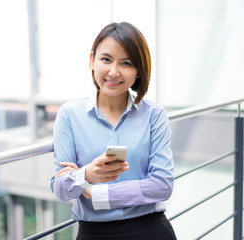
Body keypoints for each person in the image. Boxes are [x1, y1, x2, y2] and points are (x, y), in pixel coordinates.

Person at [50, 22, 177, 240]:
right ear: (92, 61)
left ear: (138, 71)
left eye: (126, 63)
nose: (114, 72)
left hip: (151, 230)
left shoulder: (154, 114)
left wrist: (93, 191)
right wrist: (87, 174)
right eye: (106, 59)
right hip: (94, 233)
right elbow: (60, 187)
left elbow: (162, 185)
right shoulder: (70, 114)